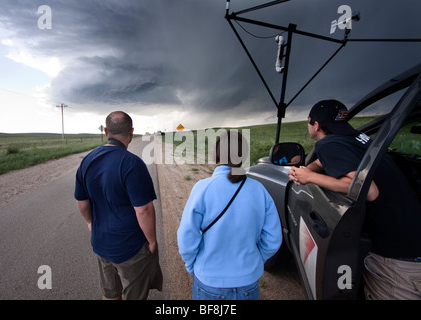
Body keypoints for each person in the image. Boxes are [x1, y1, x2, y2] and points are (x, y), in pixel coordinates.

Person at [288, 99, 421, 300]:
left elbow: (369, 191)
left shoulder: (328, 144)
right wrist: (307, 169)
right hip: (412, 236)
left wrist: (309, 178)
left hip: (397, 258)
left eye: (309, 122)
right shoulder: (359, 139)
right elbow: (321, 161)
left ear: (315, 125)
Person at [177, 130, 282, 300]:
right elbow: (273, 238)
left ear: (216, 155)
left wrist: (191, 265)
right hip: (248, 283)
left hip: (209, 282)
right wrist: (255, 260)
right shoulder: (259, 190)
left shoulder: (202, 188)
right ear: (244, 156)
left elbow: (186, 236)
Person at [74, 111, 162, 300]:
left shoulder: (87, 161)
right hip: (130, 247)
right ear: (131, 132)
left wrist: (91, 224)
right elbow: (143, 209)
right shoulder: (132, 164)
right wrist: (152, 241)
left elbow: (81, 202)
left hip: (101, 243)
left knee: (110, 294)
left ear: (106, 132)